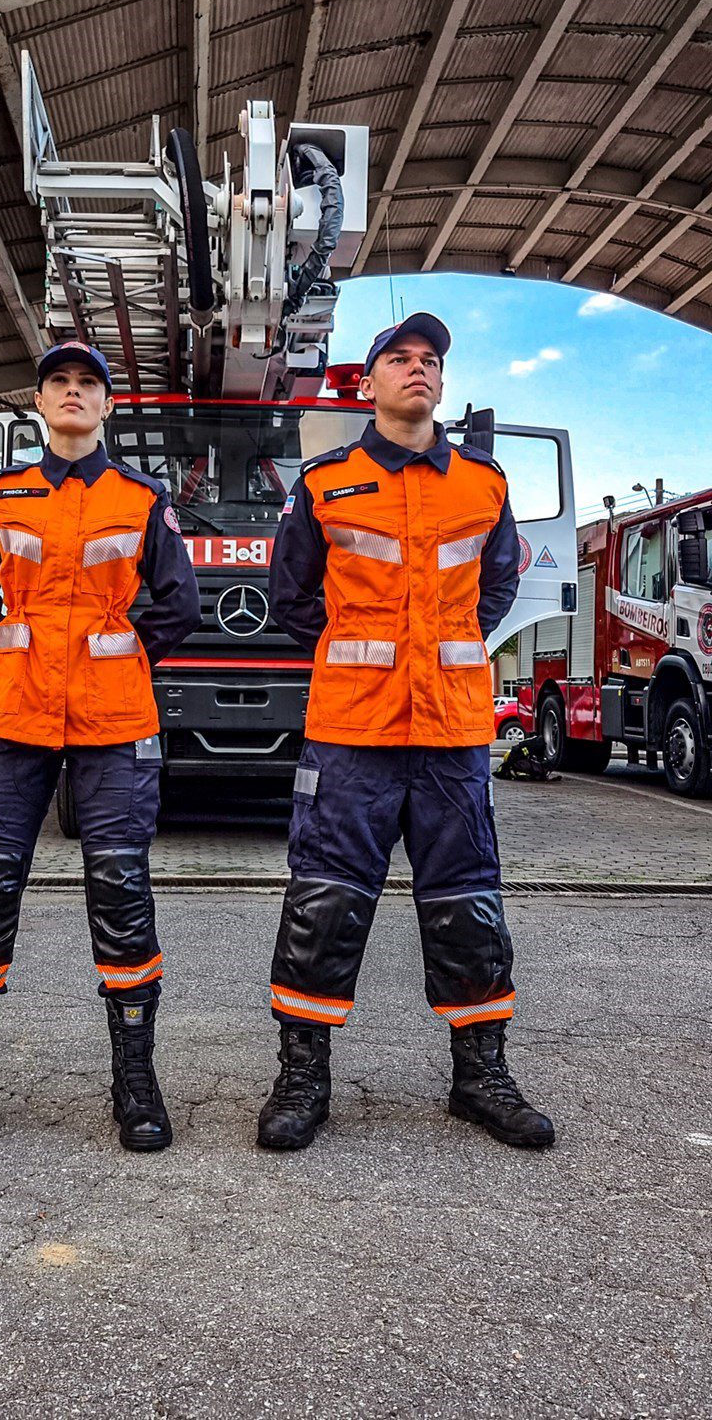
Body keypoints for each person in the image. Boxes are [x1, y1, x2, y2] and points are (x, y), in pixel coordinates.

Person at [257, 313, 554, 1152]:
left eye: (431, 361)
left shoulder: (484, 485)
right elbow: (293, 600)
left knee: (468, 899)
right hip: (352, 729)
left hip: (452, 730)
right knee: (324, 900)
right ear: (372, 381)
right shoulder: (325, 482)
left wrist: (443, 650)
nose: (418, 370)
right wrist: (369, 659)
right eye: (400, 359)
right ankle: (303, 1076)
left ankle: (480, 1075)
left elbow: (494, 592)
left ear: (441, 384)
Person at [0, 340, 200, 1155]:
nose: (73, 393)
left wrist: (111, 646)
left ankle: (135, 1085)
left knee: (120, 890)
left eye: (88, 385)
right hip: (15, 717)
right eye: (59, 383)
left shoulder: (141, 497)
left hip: (115, 720)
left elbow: (177, 607)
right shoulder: (3, 497)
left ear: (107, 406)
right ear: (41, 403)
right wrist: (27, 649)